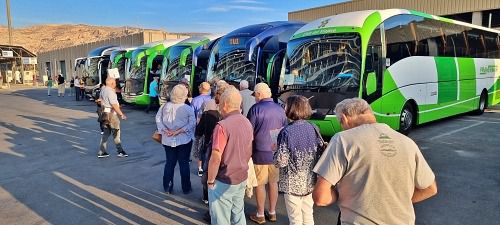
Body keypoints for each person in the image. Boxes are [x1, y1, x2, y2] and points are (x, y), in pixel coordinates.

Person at [312, 98, 438, 225]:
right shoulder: (407, 142)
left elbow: (321, 198)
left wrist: (342, 193)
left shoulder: (343, 140)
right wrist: (394, 203)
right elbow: (430, 189)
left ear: (344, 119)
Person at [206, 86, 253, 225]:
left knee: (221, 218)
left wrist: (210, 180)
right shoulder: (247, 122)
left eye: (220, 103)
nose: (219, 106)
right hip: (241, 176)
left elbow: (216, 157)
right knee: (238, 214)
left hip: (224, 179)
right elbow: (249, 150)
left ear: (225, 104)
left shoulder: (222, 126)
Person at [274, 95, 324, 225]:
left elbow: (281, 161)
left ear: (290, 109)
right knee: (308, 215)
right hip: (310, 180)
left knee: (295, 219)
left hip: (292, 183)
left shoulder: (286, 132)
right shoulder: (313, 127)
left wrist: (274, 151)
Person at [247, 82, 287, 224]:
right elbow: (285, 130)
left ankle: (260, 214)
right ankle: (272, 212)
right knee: (273, 183)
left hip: (259, 152)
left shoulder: (255, 109)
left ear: (259, 94)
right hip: (275, 152)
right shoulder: (280, 109)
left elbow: (248, 132)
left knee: (260, 183)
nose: (255, 98)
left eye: (255, 95)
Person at [155, 84, 195, 194]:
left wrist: (164, 130)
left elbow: (158, 119)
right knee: (184, 163)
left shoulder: (164, 106)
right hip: (184, 139)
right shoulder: (187, 108)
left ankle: (168, 186)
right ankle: (186, 188)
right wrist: (179, 131)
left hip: (167, 138)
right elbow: (192, 123)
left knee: (169, 163)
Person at [193, 99, 221, 204]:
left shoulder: (205, 115)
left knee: (206, 171)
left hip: (207, 146)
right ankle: (215, 195)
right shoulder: (219, 115)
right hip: (218, 146)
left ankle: (206, 196)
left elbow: (198, 131)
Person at [97, 77, 128, 158]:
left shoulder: (103, 90)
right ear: (111, 83)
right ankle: (120, 151)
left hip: (105, 114)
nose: (115, 84)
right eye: (114, 83)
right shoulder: (110, 92)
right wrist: (121, 114)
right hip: (112, 115)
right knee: (116, 133)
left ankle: (102, 152)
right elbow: (114, 104)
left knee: (106, 133)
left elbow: (100, 101)